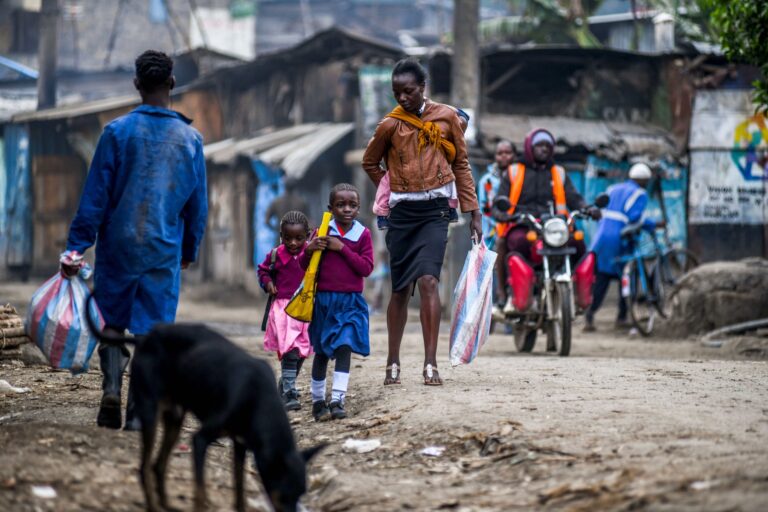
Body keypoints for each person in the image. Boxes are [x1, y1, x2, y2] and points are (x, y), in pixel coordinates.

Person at [62, 50, 208, 430]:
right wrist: (189, 249)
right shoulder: (190, 139)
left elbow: (94, 197)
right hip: (163, 247)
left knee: (111, 320)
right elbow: (197, 206)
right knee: (152, 331)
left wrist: (76, 247)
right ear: (172, 84)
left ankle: (111, 390)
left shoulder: (115, 132)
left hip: (118, 245)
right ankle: (141, 412)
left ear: (137, 85)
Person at [362, 58, 482, 386]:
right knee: (400, 289)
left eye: (408, 91)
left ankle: (430, 364)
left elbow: (461, 165)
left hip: (436, 211)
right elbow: (370, 162)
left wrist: (475, 212)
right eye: (396, 92)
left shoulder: (447, 117)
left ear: (422, 88)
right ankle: (393, 361)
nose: (402, 98)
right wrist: (391, 184)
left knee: (430, 280)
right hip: (402, 214)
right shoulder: (389, 125)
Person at [492, 128, 599, 316]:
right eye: (539, 146)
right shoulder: (514, 171)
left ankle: (577, 292)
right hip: (523, 225)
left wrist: (588, 208)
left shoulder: (558, 172)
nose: (544, 150)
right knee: (512, 243)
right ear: (529, 148)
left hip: (554, 226)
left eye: (547, 146)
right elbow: (498, 201)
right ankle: (505, 295)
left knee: (578, 243)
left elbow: (574, 197)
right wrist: (502, 213)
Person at [302, 184, 373, 421]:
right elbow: (303, 266)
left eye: (352, 205)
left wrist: (341, 248)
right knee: (321, 352)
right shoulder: (321, 231)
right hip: (323, 301)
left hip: (350, 302)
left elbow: (366, 267)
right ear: (330, 208)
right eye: (340, 205)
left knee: (344, 347)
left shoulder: (362, 234)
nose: (346, 209)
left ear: (358, 208)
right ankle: (318, 402)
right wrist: (309, 249)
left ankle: (338, 400)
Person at [585, 163, 665, 331]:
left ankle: (590, 316)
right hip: (618, 237)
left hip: (601, 236)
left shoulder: (613, 188)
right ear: (644, 180)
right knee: (627, 277)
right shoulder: (640, 193)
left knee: (602, 278)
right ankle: (621, 317)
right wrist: (653, 224)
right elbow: (634, 217)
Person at [372, 108, 470, 229]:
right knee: (387, 183)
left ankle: (451, 208)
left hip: (436, 202)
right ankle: (381, 215)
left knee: (448, 177)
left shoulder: (444, 131)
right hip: (406, 193)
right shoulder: (401, 126)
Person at [257, 211, 312, 410]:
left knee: (302, 351)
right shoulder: (275, 255)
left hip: (305, 308)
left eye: (299, 238)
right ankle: (290, 392)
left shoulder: (312, 254)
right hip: (283, 310)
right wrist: (268, 283)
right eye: (287, 238)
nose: (293, 243)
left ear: (307, 235)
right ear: (281, 235)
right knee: (289, 350)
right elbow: (262, 271)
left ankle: (284, 383)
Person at [478, 140, 515, 250]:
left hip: (513, 228)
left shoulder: (519, 178)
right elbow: (483, 208)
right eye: (500, 153)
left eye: (507, 153)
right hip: (491, 231)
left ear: (514, 155)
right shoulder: (486, 181)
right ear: (495, 156)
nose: (504, 156)